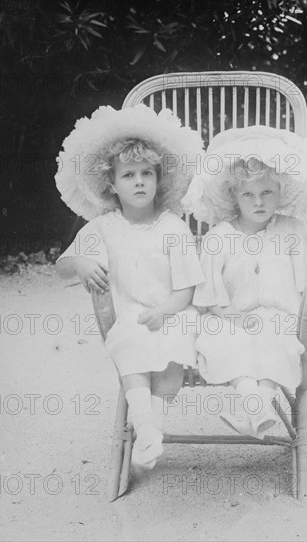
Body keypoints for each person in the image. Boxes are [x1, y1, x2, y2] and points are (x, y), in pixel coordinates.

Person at [55, 104, 204, 468]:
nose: (139, 181)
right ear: (112, 184)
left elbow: (188, 288)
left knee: (177, 341)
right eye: (129, 175)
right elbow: (62, 267)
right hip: (133, 315)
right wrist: (82, 261)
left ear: (158, 179)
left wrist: (166, 310)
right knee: (128, 338)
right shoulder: (104, 227)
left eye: (147, 173)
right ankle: (144, 423)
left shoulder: (173, 227)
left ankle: (151, 429)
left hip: (174, 310)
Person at [182, 126, 307, 439]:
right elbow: (207, 292)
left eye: (267, 192)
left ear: (280, 193)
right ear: (234, 196)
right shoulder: (219, 238)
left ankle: (252, 410)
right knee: (226, 342)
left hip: (277, 319)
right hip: (230, 318)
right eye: (248, 194)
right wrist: (226, 315)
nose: (258, 201)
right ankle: (258, 409)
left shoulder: (291, 228)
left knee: (277, 343)